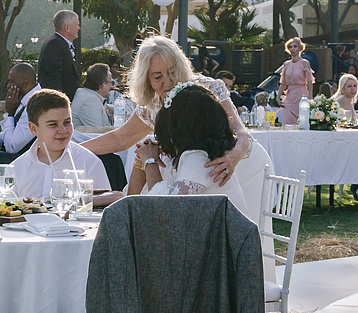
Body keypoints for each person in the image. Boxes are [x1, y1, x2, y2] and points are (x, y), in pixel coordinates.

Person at [79, 35, 256, 193]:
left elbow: (241, 133)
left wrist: (232, 158)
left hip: (239, 167)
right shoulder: (152, 105)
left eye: (172, 72)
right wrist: (73, 151)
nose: (168, 81)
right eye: (158, 77)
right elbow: (120, 138)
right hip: (193, 174)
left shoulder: (207, 90)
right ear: (146, 80)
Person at [133, 83, 271, 237]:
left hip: (227, 253)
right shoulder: (199, 154)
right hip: (219, 244)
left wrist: (150, 162)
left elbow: (165, 210)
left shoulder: (198, 159)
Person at [6, 88, 110, 203]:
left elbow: (104, 211)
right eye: (53, 125)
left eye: (67, 122)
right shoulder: (16, 169)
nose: (63, 130)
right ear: (33, 129)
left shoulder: (89, 163)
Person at [38, 9, 82, 96]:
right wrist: (59, 103)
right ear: (67, 28)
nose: (79, 28)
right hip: (57, 103)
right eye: (77, 25)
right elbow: (54, 78)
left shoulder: (58, 43)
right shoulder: (55, 44)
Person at [275, 36, 316, 125]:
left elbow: (309, 81)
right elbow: (283, 83)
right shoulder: (286, 64)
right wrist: (278, 97)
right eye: (290, 47)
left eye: (295, 46)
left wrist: (310, 98)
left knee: (301, 121)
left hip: (301, 95)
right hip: (289, 96)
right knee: (287, 121)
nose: (292, 49)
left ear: (300, 48)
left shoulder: (304, 63)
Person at [70, 63, 114, 132]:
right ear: (103, 85)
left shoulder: (86, 94)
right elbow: (97, 135)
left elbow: (105, 107)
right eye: (111, 82)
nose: (111, 86)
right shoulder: (90, 101)